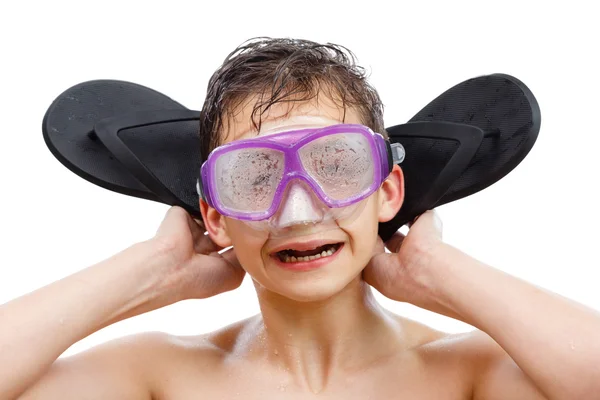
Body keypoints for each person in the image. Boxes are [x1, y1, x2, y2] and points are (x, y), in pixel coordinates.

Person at [2, 38, 599, 400]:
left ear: (388, 189)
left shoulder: (470, 373)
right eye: (253, 177)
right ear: (213, 213)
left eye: (336, 165)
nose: (297, 210)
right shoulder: (157, 375)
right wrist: (151, 270)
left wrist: (442, 273)